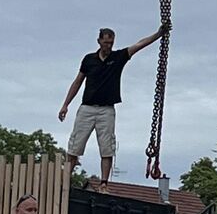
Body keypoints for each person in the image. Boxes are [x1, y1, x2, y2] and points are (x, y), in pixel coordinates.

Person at [58, 22, 165, 191]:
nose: (108, 46)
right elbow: (78, 82)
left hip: (106, 109)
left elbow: (138, 45)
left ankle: (103, 183)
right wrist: (65, 104)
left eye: (111, 43)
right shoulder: (89, 59)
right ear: (99, 41)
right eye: (106, 42)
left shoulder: (118, 57)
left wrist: (157, 35)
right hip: (87, 107)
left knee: (107, 146)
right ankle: (63, 182)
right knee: (75, 146)